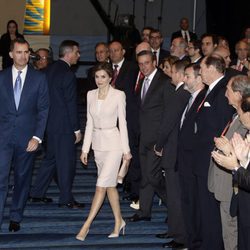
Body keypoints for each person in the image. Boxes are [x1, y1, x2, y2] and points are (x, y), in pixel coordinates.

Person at [76, 62, 132, 241]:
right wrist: (85, 149)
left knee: (100, 186)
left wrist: (126, 150)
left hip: (114, 145)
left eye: (103, 77)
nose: (99, 80)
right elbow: (89, 123)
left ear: (110, 78)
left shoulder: (118, 95)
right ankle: (119, 221)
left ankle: (86, 225)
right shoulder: (90, 94)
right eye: (97, 77)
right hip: (98, 147)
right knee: (109, 186)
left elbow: (122, 123)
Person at [0, 37, 49, 232]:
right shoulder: (1, 77)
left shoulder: (39, 78)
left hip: (27, 139)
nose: (23, 56)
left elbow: (44, 109)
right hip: (2, 137)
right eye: (19, 52)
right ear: (11, 54)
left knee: (22, 178)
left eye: (26, 52)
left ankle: (15, 216)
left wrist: (37, 137)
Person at [29, 40, 83, 208]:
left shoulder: (46, 71)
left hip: (49, 126)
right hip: (64, 127)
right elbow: (70, 104)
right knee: (66, 164)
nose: (79, 56)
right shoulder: (67, 74)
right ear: (68, 53)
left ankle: (37, 193)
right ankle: (66, 199)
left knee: (50, 160)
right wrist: (76, 129)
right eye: (77, 52)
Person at [208, 75, 250, 250]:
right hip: (228, 183)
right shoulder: (235, 115)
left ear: (239, 94)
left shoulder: (244, 121)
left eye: (228, 90)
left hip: (233, 186)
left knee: (233, 232)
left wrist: (229, 152)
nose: (225, 94)